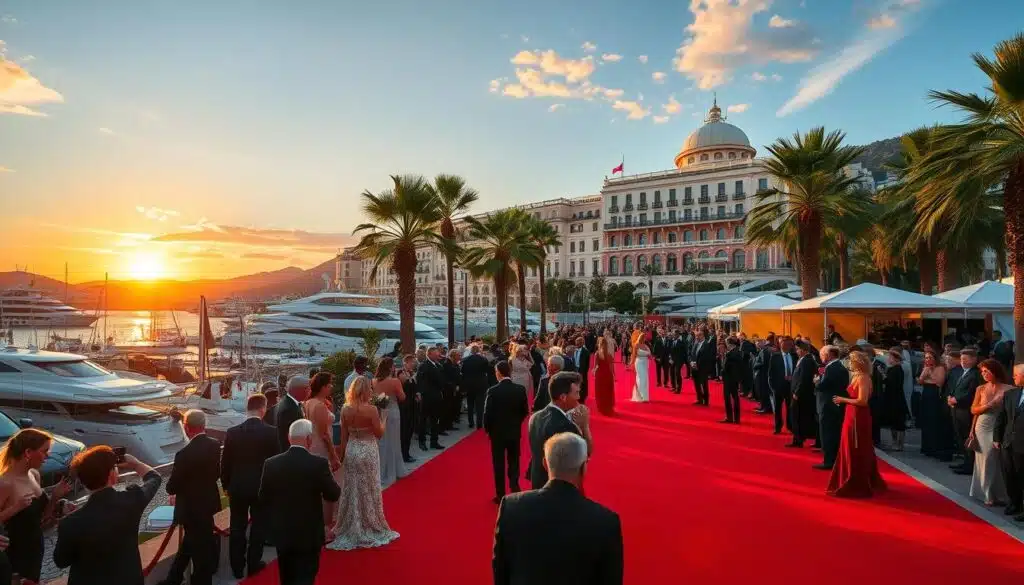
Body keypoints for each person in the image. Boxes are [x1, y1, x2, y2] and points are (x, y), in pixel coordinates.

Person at [492, 432, 623, 585]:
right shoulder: (605, 522)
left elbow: (500, 570)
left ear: (545, 464)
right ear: (584, 467)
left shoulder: (511, 507)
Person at [53, 447, 161, 585]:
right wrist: (136, 464)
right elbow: (154, 478)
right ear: (111, 475)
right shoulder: (131, 500)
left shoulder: (71, 522)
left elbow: (61, 561)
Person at [260, 420, 341, 585]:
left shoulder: (271, 464)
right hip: (309, 533)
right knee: (306, 575)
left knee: (286, 576)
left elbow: (263, 498)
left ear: (289, 438)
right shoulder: (318, 464)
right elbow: (333, 494)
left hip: (283, 533)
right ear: (309, 439)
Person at [327, 376, 400, 550]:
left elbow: (343, 436)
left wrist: (340, 457)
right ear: (366, 391)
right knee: (369, 486)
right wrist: (383, 418)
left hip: (352, 449)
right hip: (368, 450)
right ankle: (369, 522)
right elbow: (379, 433)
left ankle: (351, 523)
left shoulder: (345, 409)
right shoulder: (372, 410)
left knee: (352, 487)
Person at [0, 428, 71, 584]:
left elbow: (43, 518)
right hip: (13, 554)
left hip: (35, 550)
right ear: (28, 453)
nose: (48, 455)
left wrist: (56, 498)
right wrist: (14, 508)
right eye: (44, 451)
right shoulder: (5, 483)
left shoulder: (34, 474)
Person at [220, 394, 279, 579]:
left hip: (237, 487)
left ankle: (237, 567)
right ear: (263, 409)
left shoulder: (232, 432)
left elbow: (225, 463)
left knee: (237, 527)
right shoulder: (271, 432)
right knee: (259, 527)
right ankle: (254, 564)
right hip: (262, 487)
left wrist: (226, 485)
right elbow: (275, 463)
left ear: (247, 409)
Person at [161, 410, 222, 585]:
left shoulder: (183, 455)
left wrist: (174, 491)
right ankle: (174, 577)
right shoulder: (215, 445)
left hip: (190, 509)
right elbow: (215, 473)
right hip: (207, 503)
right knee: (193, 543)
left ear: (187, 428)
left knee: (200, 551)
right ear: (204, 426)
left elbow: (172, 486)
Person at [827, 351, 887, 497]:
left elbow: (862, 401)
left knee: (856, 445)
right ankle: (848, 477)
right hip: (851, 414)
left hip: (858, 415)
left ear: (857, 362)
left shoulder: (864, 378)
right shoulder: (856, 376)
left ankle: (856, 481)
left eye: (851, 360)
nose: (848, 362)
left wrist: (843, 400)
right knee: (848, 444)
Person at [527, 372, 587, 490]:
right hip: (557, 488)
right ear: (563, 397)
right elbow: (584, 455)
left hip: (537, 480)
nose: (578, 398)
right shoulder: (566, 426)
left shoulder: (535, 417)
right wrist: (584, 427)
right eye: (576, 393)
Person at [484, 360, 530, 504]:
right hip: (514, 431)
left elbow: (487, 414)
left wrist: (488, 430)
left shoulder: (492, 391)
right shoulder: (520, 389)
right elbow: (524, 411)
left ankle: (500, 494)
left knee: (498, 463)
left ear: (498, 372)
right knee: (514, 460)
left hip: (497, 433)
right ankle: (515, 487)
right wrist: (516, 423)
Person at [302, 372, 341, 537]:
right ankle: (325, 528)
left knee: (319, 488)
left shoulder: (309, 402)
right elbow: (325, 434)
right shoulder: (317, 406)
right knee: (327, 489)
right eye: (330, 384)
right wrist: (333, 455)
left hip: (314, 446)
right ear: (323, 386)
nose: (332, 387)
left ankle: (320, 524)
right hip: (322, 449)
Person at [969, 359, 1011, 506]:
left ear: (995, 371)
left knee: (997, 459)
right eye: (982, 372)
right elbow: (973, 410)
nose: (984, 374)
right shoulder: (980, 388)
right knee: (985, 458)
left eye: (987, 371)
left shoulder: (1009, 389)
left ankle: (1000, 493)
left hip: (1001, 425)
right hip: (983, 425)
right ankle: (986, 493)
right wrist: (989, 404)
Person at [994, 364, 1024, 520]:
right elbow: (1001, 417)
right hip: (1008, 442)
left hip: (1022, 444)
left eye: (1016, 375)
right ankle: (1014, 503)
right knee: (1009, 474)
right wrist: (996, 437)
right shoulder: (1011, 394)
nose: (1013, 378)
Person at [373, 357, 407, 487]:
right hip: (393, 412)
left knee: (383, 442)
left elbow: (377, 399)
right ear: (390, 367)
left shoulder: (374, 381)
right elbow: (402, 397)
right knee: (394, 440)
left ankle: (383, 470)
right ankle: (395, 469)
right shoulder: (394, 381)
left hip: (381, 412)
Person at [815, 345, 850, 470]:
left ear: (829, 355)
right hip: (835, 405)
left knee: (828, 433)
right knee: (834, 433)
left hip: (828, 405)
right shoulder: (839, 367)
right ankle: (833, 459)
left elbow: (824, 385)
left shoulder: (832, 368)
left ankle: (829, 461)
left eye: (823, 354)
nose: (821, 357)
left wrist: (817, 381)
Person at [949, 348, 981, 475]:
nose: (963, 361)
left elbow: (971, 393)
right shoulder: (962, 373)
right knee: (960, 436)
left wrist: (956, 400)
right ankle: (965, 462)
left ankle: (970, 465)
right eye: (961, 359)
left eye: (965, 359)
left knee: (967, 437)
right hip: (956, 409)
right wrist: (950, 398)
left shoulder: (975, 374)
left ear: (974, 359)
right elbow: (955, 388)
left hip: (966, 411)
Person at [787, 341, 818, 446]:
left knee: (796, 416)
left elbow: (803, 379)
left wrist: (797, 392)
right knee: (797, 416)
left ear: (803, 350)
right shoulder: (804, 360)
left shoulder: (807, 361)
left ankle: (798, 439)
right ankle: (798, 438)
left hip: (801, 395)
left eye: (798, 349)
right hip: (800, 393)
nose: (796, 351)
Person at [917, 351, 947, 457]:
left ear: (935, 358)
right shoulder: (925, 367)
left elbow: (939, 382)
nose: (927, 359)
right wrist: (926, 377)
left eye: (930, 357)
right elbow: (920, 381)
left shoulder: (940, 368)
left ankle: (934, 447)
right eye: (926, 358)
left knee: (933, 420)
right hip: (926, 394)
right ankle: (926, 446)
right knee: (925, 420)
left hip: (935, 395)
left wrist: (929, 375)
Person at [416, 346, 446, 450]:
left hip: (436, 396)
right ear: (429, 354)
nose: (438, 355)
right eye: (436, 354)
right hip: (426, 397)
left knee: (435, 420)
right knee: (423, 420)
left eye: (438, 353)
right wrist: (419, 393)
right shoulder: (424, 365)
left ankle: (434, 441)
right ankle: (422, 442)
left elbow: (442, 379)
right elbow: (420, 381)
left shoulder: (438, 365)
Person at [880, 349, 909, 451]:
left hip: (896, 399)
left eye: (890, 357)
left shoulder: (897, 369)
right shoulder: (892, 369)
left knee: (898, 422)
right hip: (891, 398)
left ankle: (899, 444)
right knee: (893, 421)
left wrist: (884, 377)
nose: (888, 359)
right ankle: (894, 442)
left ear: (895, 359)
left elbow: (893, 384)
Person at [768, 337, 797, 435]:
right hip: (778, 387)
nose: (787, 346)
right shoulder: (775, 356)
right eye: (785, 344)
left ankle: (790, 426)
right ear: (780, 345)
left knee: (790, 408)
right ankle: (778, 426)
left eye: (789, 345)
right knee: (778, 408)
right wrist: (773, 387)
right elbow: (770, 374)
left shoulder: (794, 356)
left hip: (790, 387)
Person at [276, 375, 310, 451]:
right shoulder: (289, 408)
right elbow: (291, 438)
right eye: (307, 388)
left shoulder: (292, 404)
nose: (309, 392)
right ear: (299, 390)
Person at [461, 344, 491, 429]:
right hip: (481, 383)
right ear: (478, 350)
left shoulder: (466, 360)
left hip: (470, 384)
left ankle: (471, 422)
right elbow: (487, 370)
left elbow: (463, 372)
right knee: (480, 405)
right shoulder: (483, 359)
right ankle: (479, 423)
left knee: (470, 403)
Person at [398, 355, 419, 463]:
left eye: (414, 362)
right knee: (404, 431)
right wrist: (410, 377)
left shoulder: (411, 374)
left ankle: (407, 452)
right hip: (404, 406)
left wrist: (417, 394)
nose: (413, 364)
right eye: (411, 362)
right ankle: (403, 454)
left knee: (410, 429)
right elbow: (403, 386)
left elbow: (414, 388)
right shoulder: (401, 374)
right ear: (405, 362)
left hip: (412, 405)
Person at [720, 337, 744, 424]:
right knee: (732, 398)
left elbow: (727, 366)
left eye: (726, 343)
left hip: (730, 379)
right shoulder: (735, 352)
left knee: (730, 398)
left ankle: (732, 418)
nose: (726, 345)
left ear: (730, 344)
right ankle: (733, 418)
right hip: (731, 378)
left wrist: (725, 355)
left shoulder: (733, 353)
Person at [593, 336, 616, 416]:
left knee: (600, 391)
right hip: (608, 374)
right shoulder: (609, 354)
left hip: (600, 374)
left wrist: (594, 373)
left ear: (599, 344)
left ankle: (601, 407)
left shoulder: (597, 354)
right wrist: (614, 375)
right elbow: (611, 367)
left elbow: (595, 366)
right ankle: (608, 406)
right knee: (608, 391)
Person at [631, 338, 651, 403]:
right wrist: (632, 363)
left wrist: (649, 356)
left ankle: (645, 397)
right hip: (639, 362)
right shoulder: (636, 345)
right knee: (640, 378)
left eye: (644, 337)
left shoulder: (646, 346)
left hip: (645, 363)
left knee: (645, 378)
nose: (643, 339)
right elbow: (634, 355)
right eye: (642, 337)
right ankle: (640, 395)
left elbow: (650, 355)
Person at [573, 337, 592, 403]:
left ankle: (582, 399)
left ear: (582, 343)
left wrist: (583, 372)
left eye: (578, 343)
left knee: (582, 385)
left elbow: (587, 364)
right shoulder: (574, 350)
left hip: (581, 371)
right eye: (576, 343)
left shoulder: (585, 352)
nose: (577, 344)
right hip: (575, 369)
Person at [669, 330, 687, 394]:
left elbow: (684, 352)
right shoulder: (673, 341)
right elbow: (671, 351)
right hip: (672, 360)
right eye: (673, 334)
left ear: (677, 335)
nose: (673, 335)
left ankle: (678, 388)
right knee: (672, 373)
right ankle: (673, 386)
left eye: (674, 334)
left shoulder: (681, 342)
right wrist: (670, 357)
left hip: (679, 361)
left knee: (677, 373)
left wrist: (684, 361)